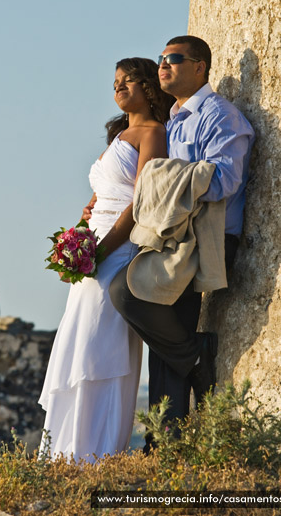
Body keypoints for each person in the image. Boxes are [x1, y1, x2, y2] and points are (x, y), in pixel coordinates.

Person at [109, 36, 254, 451]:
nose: (163, 66)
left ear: (200, 67)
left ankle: (192, 359)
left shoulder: (221, 116)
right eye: (161, 60)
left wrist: (163, 178)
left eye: (174, 59)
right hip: (174, 237)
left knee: (129, 292)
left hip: (205, 237)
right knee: (165, 334)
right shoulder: (172, 122)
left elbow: (225, 179)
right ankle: (165, 441)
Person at [38, 58, 173, 462]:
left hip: (118, 247)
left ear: (148, 87)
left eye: (127, 81)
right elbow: (102, 193)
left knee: (102, 343)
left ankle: (94, 451)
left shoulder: (153, 133)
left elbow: (141, 200)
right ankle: (63, 451)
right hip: (93, 244)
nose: (118, 87)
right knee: (79, 339)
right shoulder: (119, 134)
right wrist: (80, 229)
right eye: (115, 82)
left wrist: (101, 250)